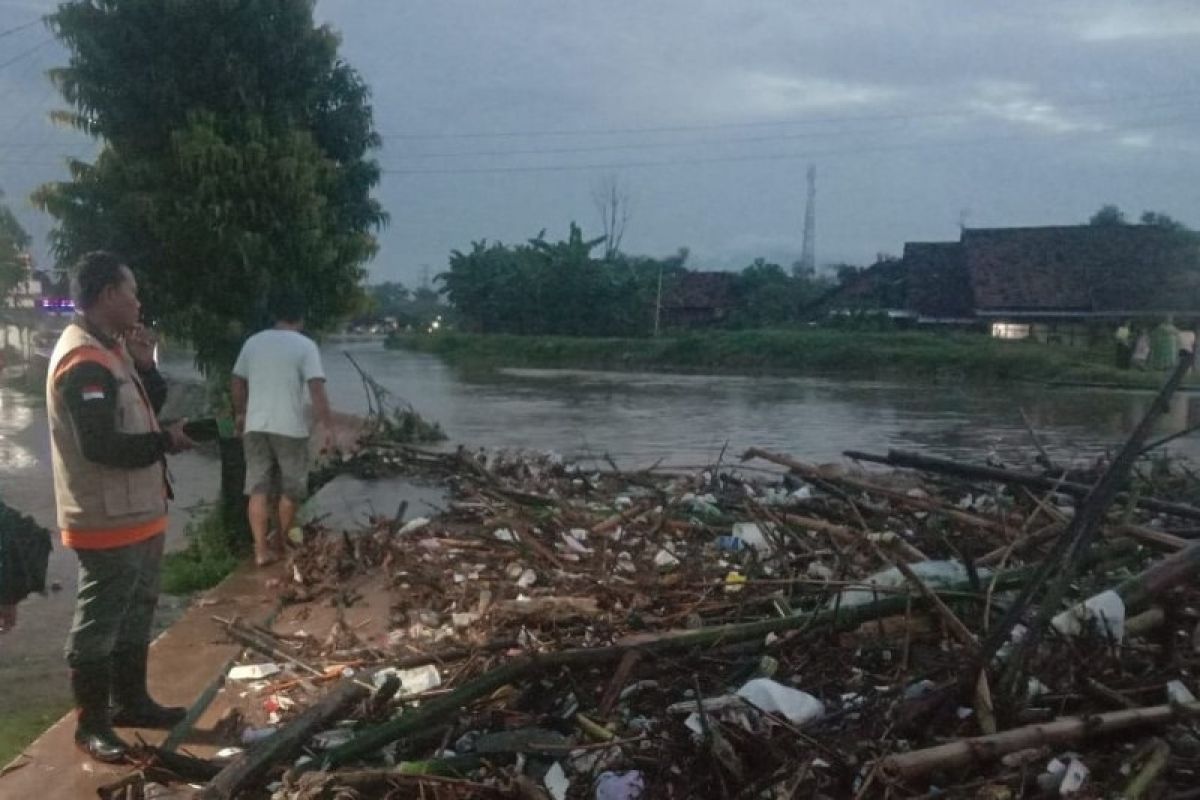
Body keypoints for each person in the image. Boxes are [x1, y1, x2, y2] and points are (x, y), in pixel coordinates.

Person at [47, 251, 196, 762]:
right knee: (99, 620)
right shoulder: (82, 360)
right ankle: (91, 725)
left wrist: (145, 365)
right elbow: (101, 446)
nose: (138, 301)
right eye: (131, 291)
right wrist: (167, 444)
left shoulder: (108, 351)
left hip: (139, 513)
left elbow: (146, 410)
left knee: (137, 611)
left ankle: (132, 702)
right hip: (105, 520)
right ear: (108, 294)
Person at [231, 292, 333, 567]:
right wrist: (327, 425)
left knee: (258, 488)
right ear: (300, 317)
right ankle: (282, 544)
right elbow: (316, 388)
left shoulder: (253, 343)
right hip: (290, 428)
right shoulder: (305, 346)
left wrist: (241, 414)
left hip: (255, 426)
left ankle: (260, 551)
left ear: (274, 314)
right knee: (291, 489)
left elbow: (237, 381)